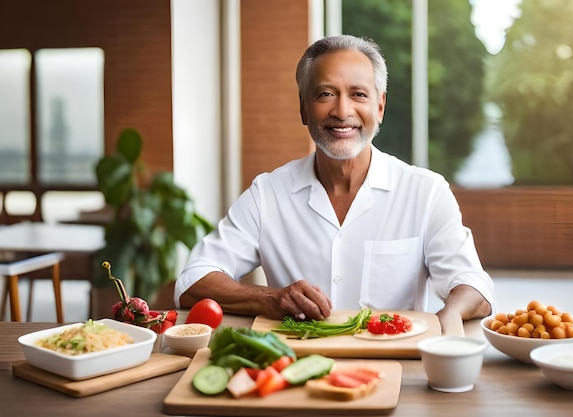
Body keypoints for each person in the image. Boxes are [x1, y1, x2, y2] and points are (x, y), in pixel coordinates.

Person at [175, 34, 495, 335]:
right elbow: (192, 280)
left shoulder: (426, 192)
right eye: (326, 94)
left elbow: (473, 286)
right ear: (303, 107)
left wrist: (447, 320)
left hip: (397, 369)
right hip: (294, 372)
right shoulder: (267, 194)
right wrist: (268, 299)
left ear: (379, 107)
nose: (342, 111)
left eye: (358, 94)